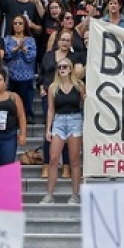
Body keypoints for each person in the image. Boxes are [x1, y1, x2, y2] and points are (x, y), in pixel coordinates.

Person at [41, 56, 84, 205]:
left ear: (71, 68)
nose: (62, 70)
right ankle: (49, 195)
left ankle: (74, 195)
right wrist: (48, 129)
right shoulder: (53, 87)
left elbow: (84, 105)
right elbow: (50, 110)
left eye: (65, 67)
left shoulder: (79, 85)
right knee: (53, 158)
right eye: (59, 67)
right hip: (59, 120)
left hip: (75, 119)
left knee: (74, 160)